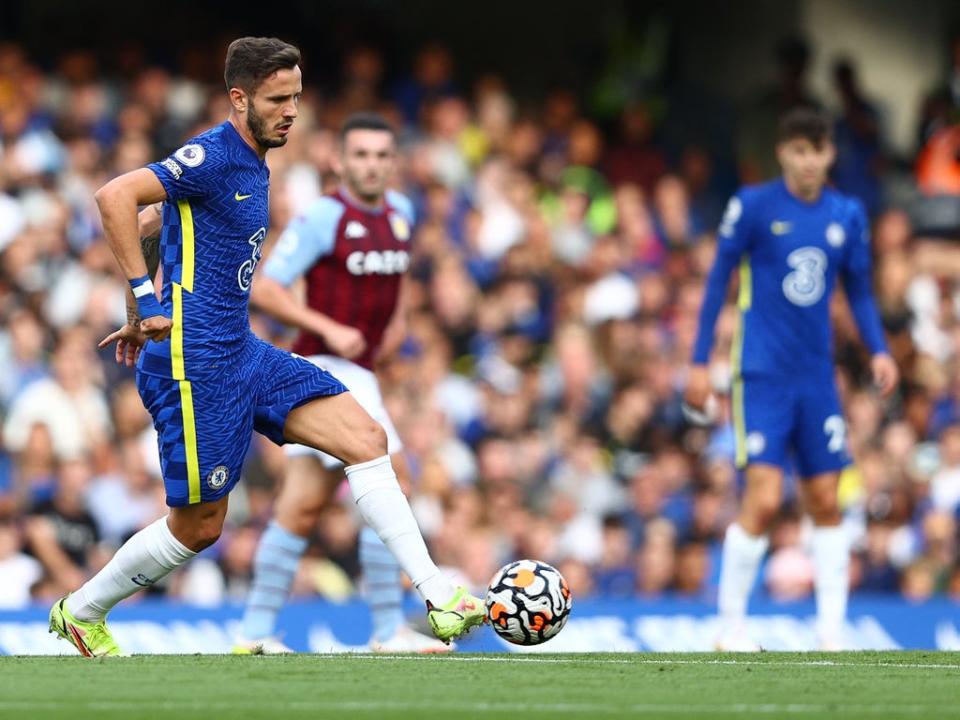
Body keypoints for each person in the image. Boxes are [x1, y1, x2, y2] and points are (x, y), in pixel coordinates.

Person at [47, 37, 484, 658]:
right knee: (200, 528)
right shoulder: (214, 155)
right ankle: (82, 610)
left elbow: (151, 225)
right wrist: (145, 304)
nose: (291, 111)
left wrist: (135, 303)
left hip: (242, 350)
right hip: (194, 363)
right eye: (278, 99)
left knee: (366, 439)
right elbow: (116, 197)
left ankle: (439, 598)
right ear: (239, 98)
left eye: (297, 98)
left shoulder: (256, 161)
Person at [685, 107, 898, 650]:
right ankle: (729, 624)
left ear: (830, 155)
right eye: (798, 150)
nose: (808, 161)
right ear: (783, 153)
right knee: (761, 496)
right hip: (760, 372)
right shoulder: (753, 205)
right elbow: (716, 284)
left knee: (826, 499)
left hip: (816, 376)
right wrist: (697, 360)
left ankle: (831, 629)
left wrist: (878, 349)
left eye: (817, 150)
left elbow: (862, 292)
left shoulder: (846, 214)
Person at [235, 111, 448, 654]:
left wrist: (395, 327)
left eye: (381, 155)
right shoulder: (323, 218)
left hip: (363, 368)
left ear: (393, 162)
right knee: (391, 480)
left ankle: (255, 633)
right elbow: (266, 288)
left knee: (302, 505)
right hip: (326, 364)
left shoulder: (401, 212)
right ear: (339, 160)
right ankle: (387, 630)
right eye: (361, 155)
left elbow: (395, 283)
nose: (371, 165)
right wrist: (330, 327)